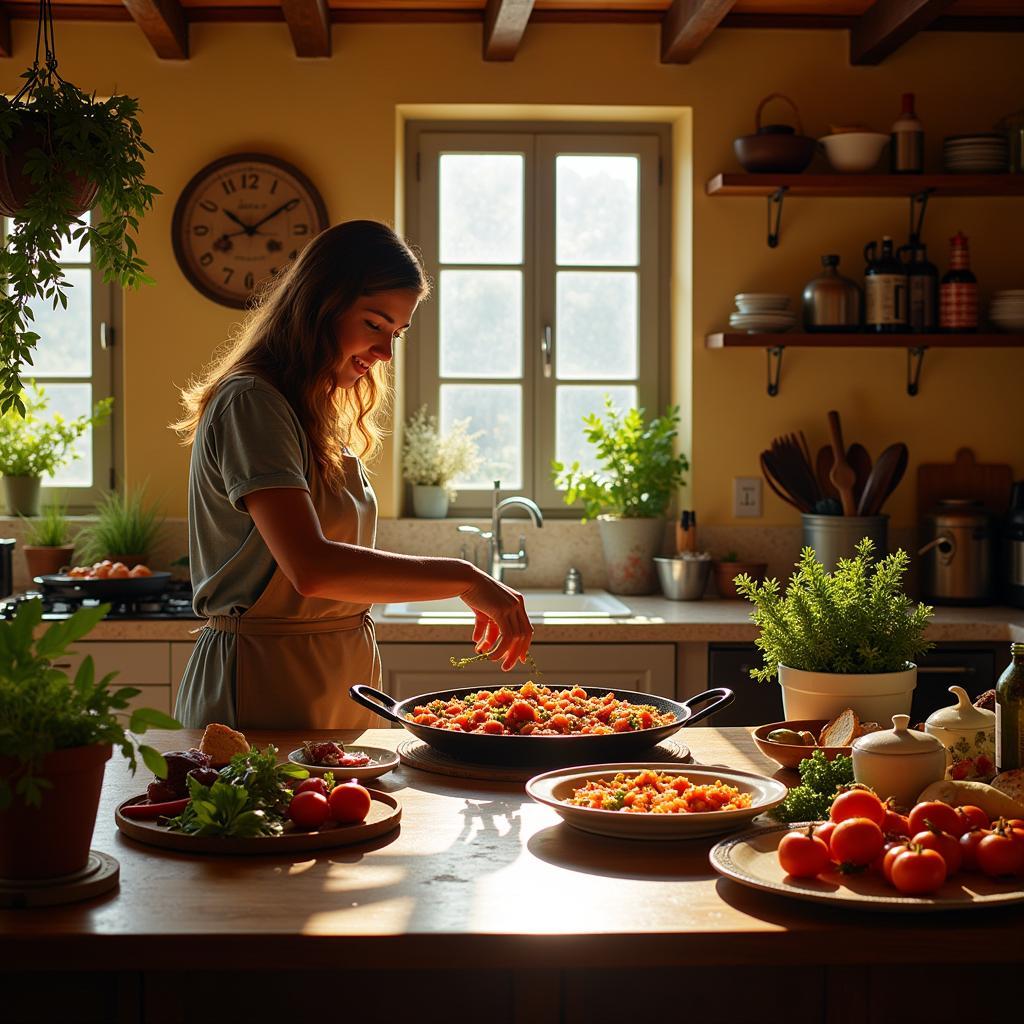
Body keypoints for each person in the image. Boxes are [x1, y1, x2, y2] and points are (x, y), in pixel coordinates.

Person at [171, 220, 533, 730]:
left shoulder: (313, 410)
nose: (386, 352)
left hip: (339, 676)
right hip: (261, 682)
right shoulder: (252, 401)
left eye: (396, 333)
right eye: (374, 324)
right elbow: (312, 567)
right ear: (322, 304)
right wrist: (463, 577)